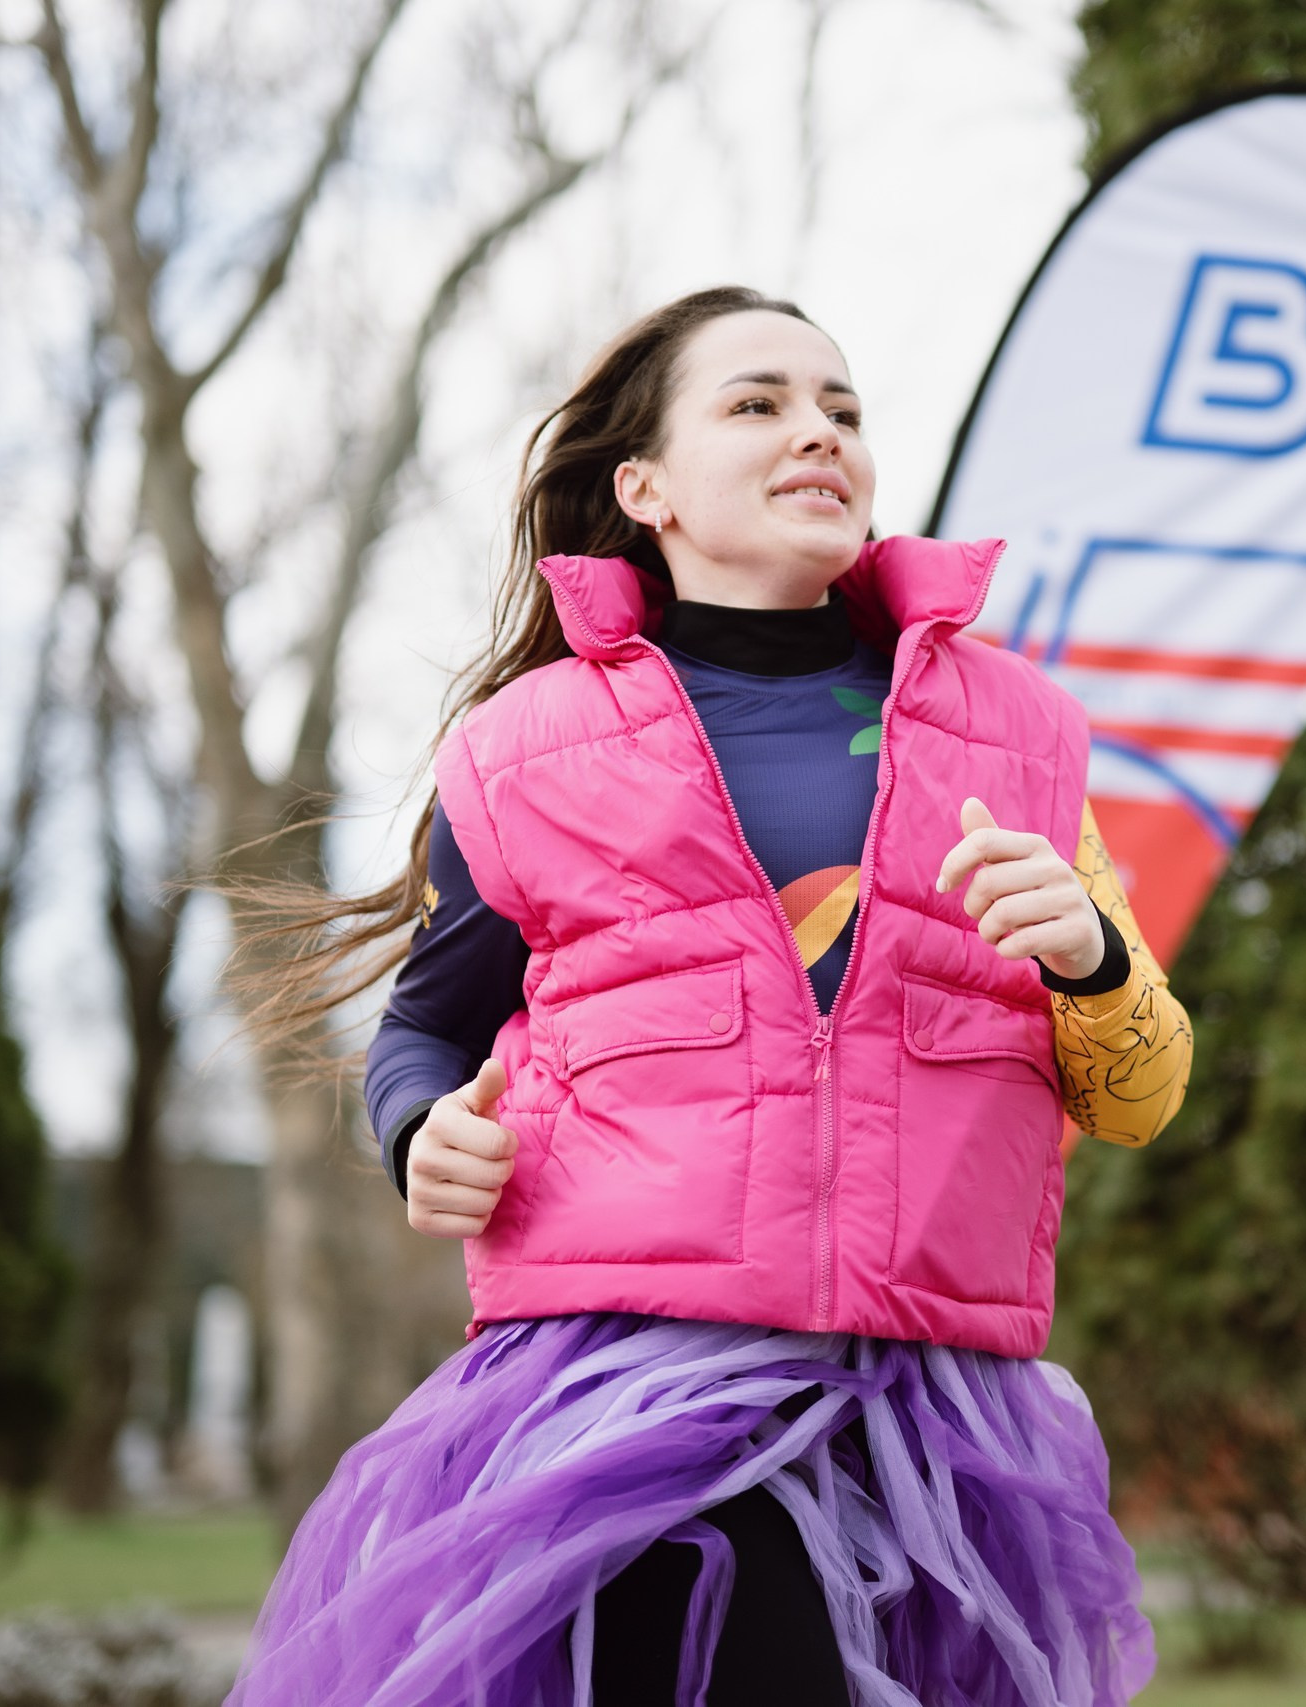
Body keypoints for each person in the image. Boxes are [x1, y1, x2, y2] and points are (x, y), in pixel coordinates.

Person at [225, 285, 1191, 1707]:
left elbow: (1142, 1095)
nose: (819, 433)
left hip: (939, 1433)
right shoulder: (527, 751)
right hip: (635, 1406)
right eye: (760, 403)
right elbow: (427, 1027)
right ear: (646, 487)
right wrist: (422, 1131)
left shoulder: (1014, 731)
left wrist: (1093, 962)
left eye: (842, 409)